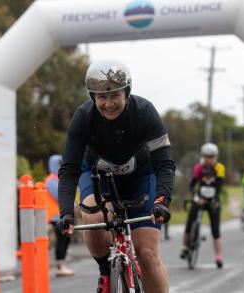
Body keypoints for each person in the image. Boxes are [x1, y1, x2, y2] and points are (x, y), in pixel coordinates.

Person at [55, 60, 175, 293]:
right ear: (93, 97)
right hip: (97, 176)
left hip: (141, 177)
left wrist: (163, 200)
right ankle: (104, 271)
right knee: (92, 216)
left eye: (114, 96)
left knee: (147, 254)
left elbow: (164, 163)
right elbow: (69, 169)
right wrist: (66, 213)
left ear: (127, 93)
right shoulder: (82, 117)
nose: (108, 103)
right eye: (101, 97)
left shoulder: (145, 112)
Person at [180, 143, 225, 269]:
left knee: (215, 230)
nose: (210, 159)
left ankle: (218, 256)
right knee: (189, 224)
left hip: (213, 199)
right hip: (200, 198)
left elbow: (219, 186)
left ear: (216, 157)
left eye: (212, 156)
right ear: (204, 157)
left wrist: (215, 200)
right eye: (207, 157)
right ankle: (184, 247)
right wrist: (193, 195)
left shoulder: (220, 168)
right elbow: (192, 184)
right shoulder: (199, 167)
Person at [44, 154, 75, 277]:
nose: (61, 166)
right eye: (59, 164)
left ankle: (62, 264)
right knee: (62, 240)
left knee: (65, 239)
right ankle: (60, 266)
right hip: (55, 216)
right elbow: (59, 196)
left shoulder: (57, 179)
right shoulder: (51, 180)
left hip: (61, 215)